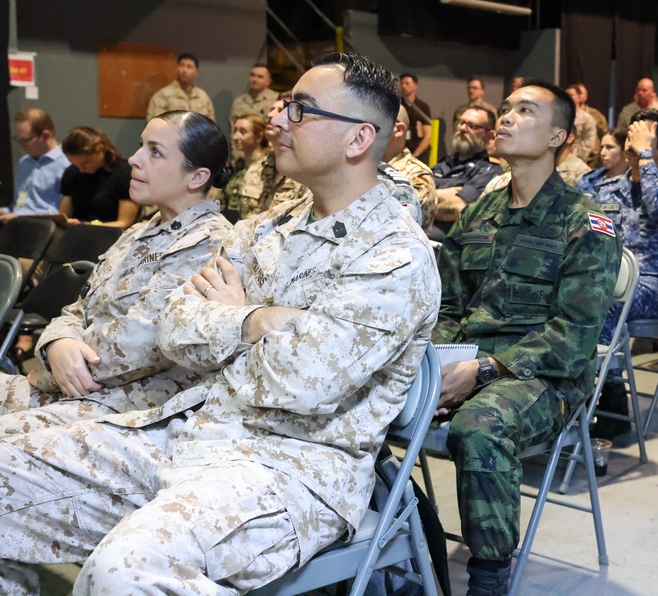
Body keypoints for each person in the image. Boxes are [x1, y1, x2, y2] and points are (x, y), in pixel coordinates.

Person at [0, 52, 440, 594]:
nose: (277, 120)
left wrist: (230, 317)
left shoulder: (393, 256)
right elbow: (176, 330)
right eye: (283, 105)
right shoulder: (264, 228)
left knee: (124, 574)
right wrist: (259, 322)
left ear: (357, 140)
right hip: (187, 429)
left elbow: (301, 384)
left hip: (288, 469)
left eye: (300, 110)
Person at [434, 80, 621, 596]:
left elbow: (575, 337)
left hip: (548, 376)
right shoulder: (479, 214)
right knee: (366, 396)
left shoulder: (585, 224)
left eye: (525, 110)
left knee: (479, 426)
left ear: (559, 135)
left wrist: (484, 370)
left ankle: (489, 578)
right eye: (505, 109)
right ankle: (402, 544)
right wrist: (441, 361)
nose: (506, 118)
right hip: (470, 363)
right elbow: (449, 305)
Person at [0, 111, 232, 433]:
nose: (134, 159)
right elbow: (79, 308)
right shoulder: (139, 232)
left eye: (155, 152)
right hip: (76, 385)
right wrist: (56, 344)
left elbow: (138, 344)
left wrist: (51, 372)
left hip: (127, 407)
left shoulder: (208, 242)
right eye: (141, 146)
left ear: (196, 177)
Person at [593, 108, 658, 437]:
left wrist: (646, 157)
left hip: (657, 288)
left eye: (644, 136)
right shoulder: (608, 189)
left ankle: (610, 399)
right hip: (611, 282)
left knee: (602, 299)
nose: (632, 141)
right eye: (632, 133)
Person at [232, 94, 306, 220]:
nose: (270, 115)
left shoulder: (305, 174)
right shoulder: (257, 168)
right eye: (271, 109)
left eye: (280, 110)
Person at [432, 104, 503, 234]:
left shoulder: (489, 171)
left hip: (445, 239)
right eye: (461, 123)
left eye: (473, 126)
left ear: (489, 134)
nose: (463, 128)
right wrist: (442, 194)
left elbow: (456, 208)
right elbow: (411, 191)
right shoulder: (442, 163)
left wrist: (421, 203)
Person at [59, 127, 140, 229]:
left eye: (85, 163)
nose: (81, 169)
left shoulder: (124, 173)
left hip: (110, 235)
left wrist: (86, 227)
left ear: (100, 150)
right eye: (76, 165)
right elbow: (64, 216)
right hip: (77, 233)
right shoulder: (72, 173)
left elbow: (125, 223)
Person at [0, 109, 71, 221]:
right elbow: (18, 205)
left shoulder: (66, 165)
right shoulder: (24, 163)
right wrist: (5, 211)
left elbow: (61, 214)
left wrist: (20, 217)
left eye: (26, 140)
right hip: (15, 224)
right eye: (18, 139)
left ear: (46, 136)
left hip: (44, 228)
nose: (21, 145)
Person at [385, 104, 438, 232]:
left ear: (398, 129)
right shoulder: (359, 168)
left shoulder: (417, 176)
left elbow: (393, 224)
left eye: (374, 122)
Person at [219, 114, 269, 221]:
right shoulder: (237, 167)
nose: (235, 137)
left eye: (243, 132)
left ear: (259, 137)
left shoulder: (266, 168)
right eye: (235, 131)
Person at [146, 53, 215, 121]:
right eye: (182, 65)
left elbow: (211, 126)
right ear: (177, 68)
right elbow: (155, 124)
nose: (184, 70)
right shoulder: (163, 95)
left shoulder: (203, 97)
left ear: (196, 72)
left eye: (189, 67)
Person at [577, 127, 628, 199]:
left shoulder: (633, 183)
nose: (602, 153)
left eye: (609, 147)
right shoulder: (589, 180)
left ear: (624, 150)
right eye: (602, 147)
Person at [229, 63, 278, 132]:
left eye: (260, 77)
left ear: (268, 81)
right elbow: (233, 129)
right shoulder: (239, 102)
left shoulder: (276, 100)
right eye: (252, 75)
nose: (255, 79)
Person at [399, 72, 433, 162]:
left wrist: (415, 154)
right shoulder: (397, 105)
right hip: (399, 153)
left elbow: (428, 136)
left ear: (415, 86)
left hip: (418, 154)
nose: (403, 86)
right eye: (402, 83)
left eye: (407, 83)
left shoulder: (422, 107)